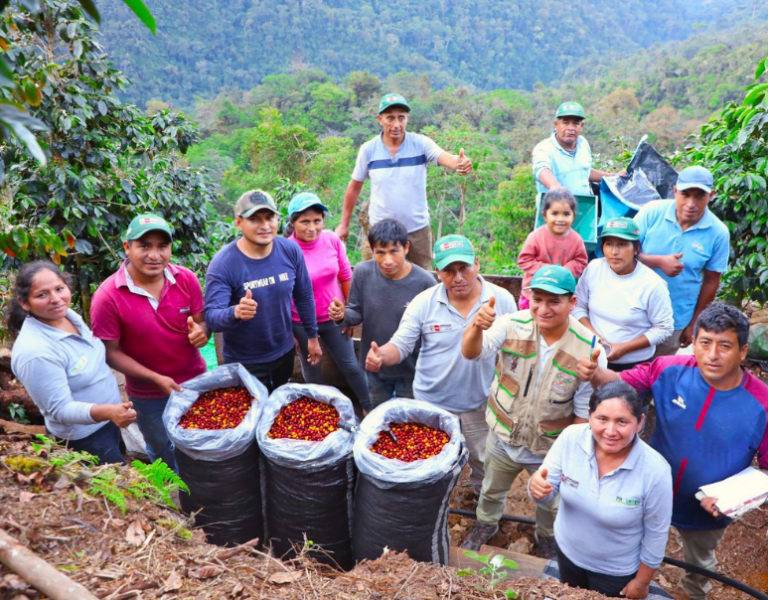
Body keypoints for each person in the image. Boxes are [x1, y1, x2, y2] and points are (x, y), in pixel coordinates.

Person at [577, 303, 768, 600]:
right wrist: (595, 373)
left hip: (706, 510)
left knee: (698, 564)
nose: (713, 354)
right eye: (705, 343)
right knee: (628, 544)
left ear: (742, 351)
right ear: (693, 343)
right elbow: (620, 387)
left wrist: (734, 499)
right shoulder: (668, 370)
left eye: (725, 346)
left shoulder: (761, 404)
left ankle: (692, 593)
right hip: (648, 489)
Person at [459, 264, 607, 557]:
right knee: (490, 490)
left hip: (548, 448)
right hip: (503, 437)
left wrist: (568, 455)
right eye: (537, 299)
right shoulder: (510, 324)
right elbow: (472, 352)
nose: (544, 308)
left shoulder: (588, 348)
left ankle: (547, 538)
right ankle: (486, 525)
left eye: (554, 301)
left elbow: (581, 412)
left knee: (550, 501)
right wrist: (476, 325)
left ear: (572, 303)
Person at [365, 234, 516, 494]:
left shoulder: (500, 300)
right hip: (431, 402)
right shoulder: (424, 303)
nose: (457, 277)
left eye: (464, 268)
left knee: (482, 460)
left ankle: (482, 506)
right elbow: (401, 345)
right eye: (449, 270)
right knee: (428, 460)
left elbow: (513, 350)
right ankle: (431, 503)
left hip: (479, 404)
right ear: (437, 272)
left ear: (477, 264)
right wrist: (381, 356)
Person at [529, 381, 672, 598]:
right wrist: (536, 488)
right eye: (602, 419)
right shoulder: (570, 438)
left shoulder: (655, 471)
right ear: (590, 415)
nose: (610, 431)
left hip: (615, 571)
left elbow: (656, 534)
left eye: (622, 421)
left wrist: (642, 582)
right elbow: (545, 490)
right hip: (567, 553)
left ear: (640, 422)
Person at [90, 214, 208, 471]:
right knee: (160, 444)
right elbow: (111, 353)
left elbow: (201, 321)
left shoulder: (186, 279)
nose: (154, 255)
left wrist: (202, 332)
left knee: (200, 437)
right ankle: (171, 490)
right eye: (144, 246)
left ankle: (201, 482)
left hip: (195, 382)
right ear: (127, 247)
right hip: (148, 394)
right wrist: (155, 378)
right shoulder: (107, 296)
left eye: (162, 246)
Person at [8, 262, 136, 464]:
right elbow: (60, 410)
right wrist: (109, 411)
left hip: (108, 420)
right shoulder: (35, 352)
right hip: (85, 437)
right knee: (116, 485)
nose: (56, 299)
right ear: (25, 303)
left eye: (59, 289)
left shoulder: (68, 316)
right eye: (42, 295)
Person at [334, 93, 473, 269]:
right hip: (380, 232)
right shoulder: (368, 150)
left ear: (407, 118)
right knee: (377, 280)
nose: (396, 125)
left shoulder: (420, 144)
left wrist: (459, 163)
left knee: (422, 280)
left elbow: (446, 158)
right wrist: (343, 224)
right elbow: (354, 188)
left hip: (417, 231)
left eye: (401, 118)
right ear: (380, 119)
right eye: (390, 118)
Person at [204, 190, 321, 392]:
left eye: (269, 218)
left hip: (284, 353)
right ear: (239, 223)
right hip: (244, 362)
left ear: (278, 219)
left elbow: (304, 296)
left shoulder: (290, 250)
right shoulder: (224, 264)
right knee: (251, 415)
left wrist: (312, 336)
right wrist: (235, 312)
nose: (265, 226)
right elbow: (212, 316)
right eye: (254, 219)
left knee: (279, 409)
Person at [328, 218, 436, 407]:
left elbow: (433, 329)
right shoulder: (363, 272)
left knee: (408, 420)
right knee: (376, 414)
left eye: (394, 251)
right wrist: (343, 315)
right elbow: (356, 311)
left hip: (411, 368)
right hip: (373, 365)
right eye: (380, 252)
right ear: (371, 250)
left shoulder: (425, 283)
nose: (387, 260)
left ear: (406, 248)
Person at [286, 192, 371, 410]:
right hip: (302, 323)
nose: (312, 227)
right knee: (312, 368)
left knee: (350, 365)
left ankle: (368, 406)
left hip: (334, 318)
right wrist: (290, 332)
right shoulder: (286, 250)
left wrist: (350, 313)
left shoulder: (332, 240)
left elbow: (345, 276)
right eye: (304, 221)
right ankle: (321, 412)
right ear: (293, 222)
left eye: (317, 220)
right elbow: (283, 293)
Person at [635, 165, 729, 355]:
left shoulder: (718, 233)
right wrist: (658, 262)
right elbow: (623, 253)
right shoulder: (651, 212)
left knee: (660, 371)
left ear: (711, 195)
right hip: (635, 310)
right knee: (627, 369)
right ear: (675, 191)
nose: (691, 203)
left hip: (676, 317)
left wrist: (694, 323)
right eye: (685, 194)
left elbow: (712, 280)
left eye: (699, 196)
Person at [573, 217, 674, 371]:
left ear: (636, 248)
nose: (614, 252)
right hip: (593, 354)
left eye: (622, 244)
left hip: (634, 366)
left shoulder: (653, 284)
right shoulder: (594, 269)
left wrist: (624, 348)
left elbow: (664, 328)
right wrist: (597, 340)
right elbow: (578, 305)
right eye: (609, 244)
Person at [517, 188, 588, 310]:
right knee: (529, 326)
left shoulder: (576, 239)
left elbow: (581, 261)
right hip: (533, 296)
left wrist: (564, 271)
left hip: (560, 297)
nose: (560, 219)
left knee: (556, 326)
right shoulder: (536, 237)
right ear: (545, 215)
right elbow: (524, 260)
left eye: (566, 214)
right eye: (555, 213)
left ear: (573, 216)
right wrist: (548, 271)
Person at [532, 101, 618, 196]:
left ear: (581, 126)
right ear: (556, 125)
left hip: (585, 207)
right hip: (557, 209)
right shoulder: (544, 148)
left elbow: (584, 171)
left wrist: (614, 177)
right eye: (565, 123)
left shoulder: (583, 143)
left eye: (575, 123)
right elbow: (541, 170)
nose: (570, 128)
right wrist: (555, 186)